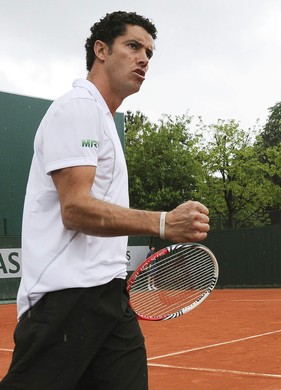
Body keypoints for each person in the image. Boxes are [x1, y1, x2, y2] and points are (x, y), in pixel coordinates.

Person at [0, 11, 210, 390]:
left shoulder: (104, 120)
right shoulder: (78, 108)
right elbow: (75, 209)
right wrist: (164, 223)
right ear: (101, 50)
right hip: (65, 299)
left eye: (149, 52)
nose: (144, 58)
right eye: (133, 46)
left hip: (111, 295)